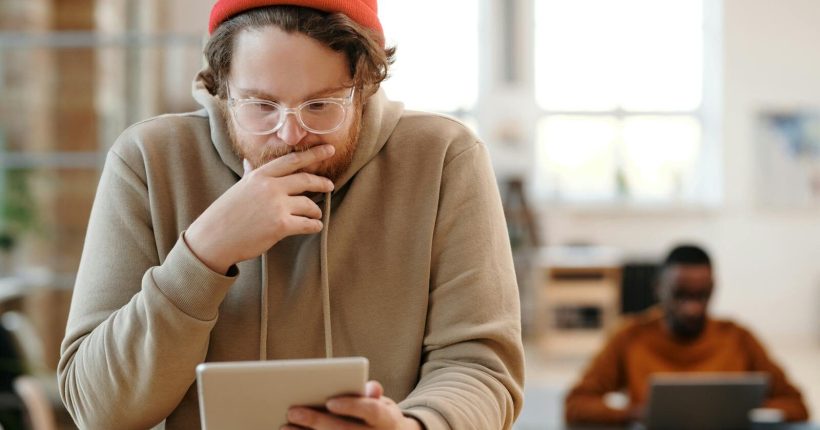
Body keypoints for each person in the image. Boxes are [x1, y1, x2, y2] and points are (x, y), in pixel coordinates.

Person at [57, 1, 525, 429]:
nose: (291, 133)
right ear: (222, 88)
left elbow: (481, 367)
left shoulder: (443, 156)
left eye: (321, 105)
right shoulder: (149, 160)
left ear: (363, 87)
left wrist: (415, 427)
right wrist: (204, 254)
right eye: (261, 105)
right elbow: (99, 410)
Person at [564, 244, 810, 425]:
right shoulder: (631, 336)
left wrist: (746, 411)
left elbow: (796, 406)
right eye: (680, 295)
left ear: (713, 289)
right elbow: (576, 405)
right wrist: (634, 414)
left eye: (701, 296)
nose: (692, 308)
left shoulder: (738, 338)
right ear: (659, 289)